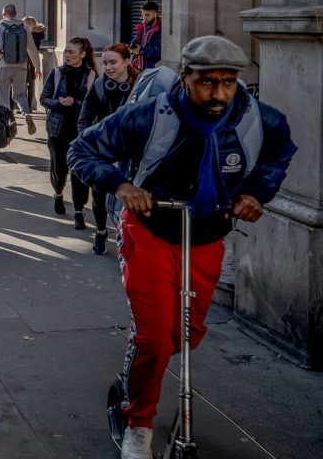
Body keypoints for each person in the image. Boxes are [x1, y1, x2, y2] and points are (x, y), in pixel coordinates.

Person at [68, 35, 295, 459]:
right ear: (187, 77)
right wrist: (122, 184)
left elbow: (278, 154)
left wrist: (255, 192)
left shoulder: (258, 119)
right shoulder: (147, 117)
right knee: (155, 337)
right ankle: (137, 421)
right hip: (150, 230)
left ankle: (133, 370)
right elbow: (81, 151)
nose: (220, 94)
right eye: (209, 83)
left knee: (183, 335)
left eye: (229, 83)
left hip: (206, 235)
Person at [76, 43, 139, 254]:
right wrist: (87, 142)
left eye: (113, 62)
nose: (108, 67)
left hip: (131, 153)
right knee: (99, 194)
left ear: (127, 62)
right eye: (104, 63)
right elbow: (85, 117)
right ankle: (101, 231)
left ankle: (127, 233)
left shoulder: (140, 86)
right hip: (102, 150)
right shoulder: (100, 85)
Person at [40, 37, 96, 227]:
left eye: (71, 52)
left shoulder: (91, 75)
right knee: (59, 168)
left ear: (83, 54)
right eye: (66, 52)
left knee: (79, 171)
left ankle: (79, 211)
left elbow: (92, 104)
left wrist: (75, 102)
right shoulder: (56, 73)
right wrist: (58, 103)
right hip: (58, 129)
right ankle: (58, 193)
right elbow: (44, 98)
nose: (67, 55)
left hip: (80, 131)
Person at [0, 4, 42, 135]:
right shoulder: (24, 27)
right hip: (21, 66)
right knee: (20, 95)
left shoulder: (0, 26)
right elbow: (32, 49)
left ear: (3, 14)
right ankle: (26, 114)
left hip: (4, 66)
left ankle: (9, 124)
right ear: (16, 13)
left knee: (4, 97)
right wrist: (37, 67)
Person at [129, 1, 161, 71]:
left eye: (147, 15)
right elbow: (136, 39)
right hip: (138, 67)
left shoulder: (160, 29)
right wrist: (131, 46)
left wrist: (141, 50)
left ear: (155, 14)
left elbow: (159, 51)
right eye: (143, 15)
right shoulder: (142, 27)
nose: (144, 18)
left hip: (151, 69)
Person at [22, 16, 45, 112]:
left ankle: (27, 106)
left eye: (24, 24)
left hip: (30, 60)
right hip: (30, 60)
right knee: (29, 82)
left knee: (29, 82)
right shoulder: (36, 34)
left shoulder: (35, 35)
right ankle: (27, 106)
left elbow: (32, 48)